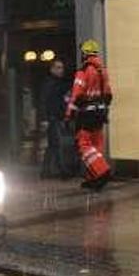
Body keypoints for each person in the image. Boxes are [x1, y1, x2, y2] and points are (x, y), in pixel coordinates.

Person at [66, 39, 113, 192]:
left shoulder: (83, 71)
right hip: (100, 112)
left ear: (84, 54)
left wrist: (69, 115)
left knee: (84, 144)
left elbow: (76, 95)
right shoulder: (102, 70)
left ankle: (102, 171)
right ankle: (94, 178)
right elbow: (108, 95)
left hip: (86, 114)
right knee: (96, 143)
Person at [40, 60, 73, 179]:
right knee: (57, 144)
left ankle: (45, 171)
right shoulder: (50, 83)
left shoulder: (57, 82)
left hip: (55, 118)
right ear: (52, 69)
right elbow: (44, 101)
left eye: (62, 67)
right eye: (58, 68)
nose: (61, 70)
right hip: (52, 118)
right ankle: (62, 171)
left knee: (52, 145)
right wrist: (45, 119)